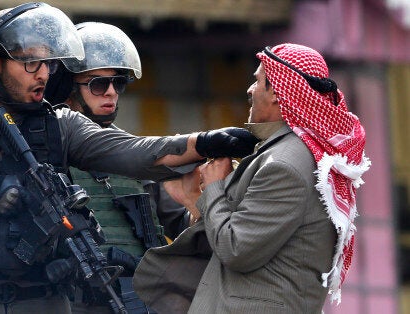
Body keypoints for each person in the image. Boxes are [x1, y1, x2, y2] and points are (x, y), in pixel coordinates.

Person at [0, 2, 258, 313]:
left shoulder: (59, 124)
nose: (44, 75)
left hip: (47, 299)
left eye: (49, 65)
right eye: (31, 63)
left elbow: (131, 153)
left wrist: (205, 142)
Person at [134, 43, 371, 313]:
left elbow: (236, 249)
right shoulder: (290, 155)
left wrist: (214, 187)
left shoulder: (284, 166)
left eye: (257, 81)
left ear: (278, 94)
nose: (250, 90)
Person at [46, 22, 203, 313]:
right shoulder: (44, 151)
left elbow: (183, 229)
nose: (111, 93)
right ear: (68, 86)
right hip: (70, 299)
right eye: (97, 84)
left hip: (134, 298)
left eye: (117, 82)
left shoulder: (136, 155)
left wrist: (197, 204)